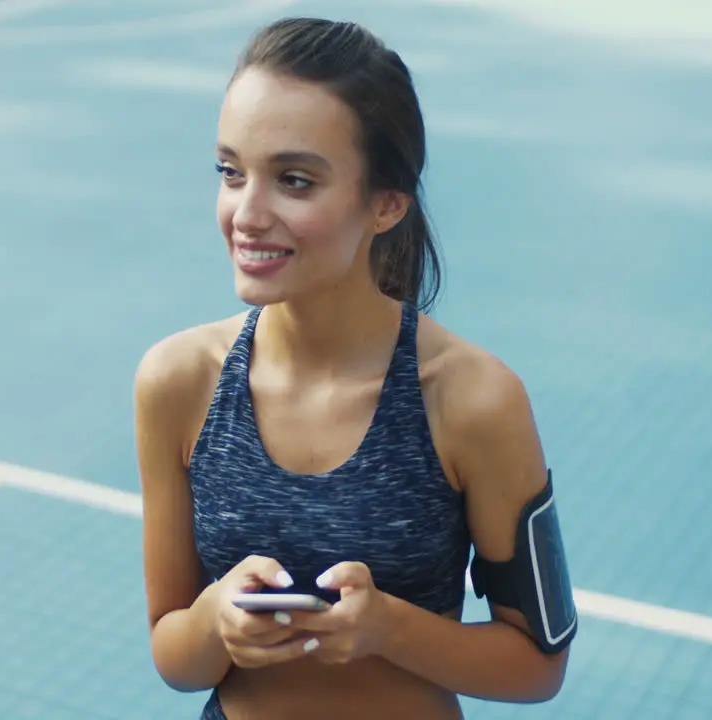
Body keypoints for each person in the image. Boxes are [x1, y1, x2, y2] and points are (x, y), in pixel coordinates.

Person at [134, 17, 577, 720]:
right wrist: (217, 618)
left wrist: (389, 629)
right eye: (230, 171)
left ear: (386, 204)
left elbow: (538, 666)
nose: (246, 213)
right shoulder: (177, 381)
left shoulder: (473, 401)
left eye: (295, 180)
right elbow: (172, 654)